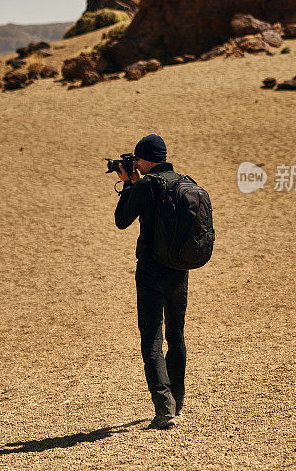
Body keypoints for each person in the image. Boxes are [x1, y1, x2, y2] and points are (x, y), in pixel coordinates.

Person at [114, 134, 189, 430]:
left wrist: (130, 184)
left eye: (137, 159)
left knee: (152, 341)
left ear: (144, 159)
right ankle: (178, 402)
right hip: (179, 270)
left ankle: (164, 408)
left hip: (150, 273)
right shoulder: (183, 180)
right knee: (176, 335)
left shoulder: (146, 184)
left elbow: (122, 220)